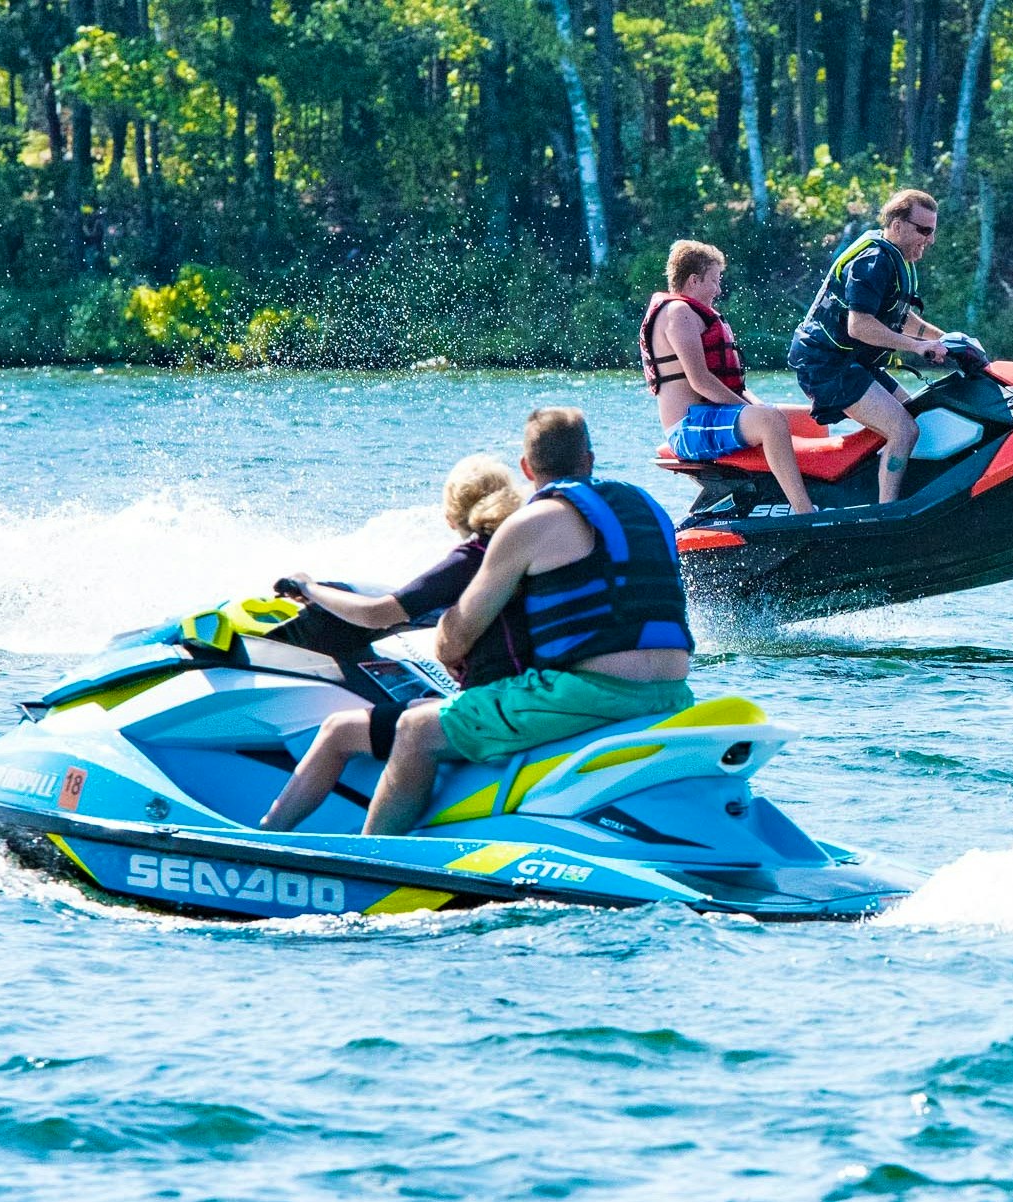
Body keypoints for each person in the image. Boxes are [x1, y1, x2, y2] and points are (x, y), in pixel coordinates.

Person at [357, 407, 696, 837]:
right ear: (589, 459)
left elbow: (457, 636)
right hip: (672, 694)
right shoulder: (649, 507)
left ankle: (373, 857)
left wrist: (444, 637)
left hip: (592, 695)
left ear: (526, 467)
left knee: (415, 729)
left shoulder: (528, 524)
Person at [258, 455, 529, 832]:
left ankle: (270, 835)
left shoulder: (474, 557)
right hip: (519, 692)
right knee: (419, 705)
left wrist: (311, 589)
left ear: (451, 516)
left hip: (492, 702)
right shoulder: (526, 550)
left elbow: (379, 613)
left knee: (338, 730)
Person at [788, 189, 951, 504]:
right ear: (898, 224)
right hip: (827, 366)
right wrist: (917, 348)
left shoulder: (897, 259)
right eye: (924, 230)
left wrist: (944, 340)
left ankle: (872, 491)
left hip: (852, 364)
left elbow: (900, 318)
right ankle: (888, 512)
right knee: (905, 430)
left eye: (933, 231)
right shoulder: (874, 260)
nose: (929, 239)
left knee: (916, 416)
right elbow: (859, 325)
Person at [642, 240, 815, 515]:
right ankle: (805, 511)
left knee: (811, 421)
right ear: (694, 280)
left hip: (713, 418)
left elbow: (733, 385)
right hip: (688, 428)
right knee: (770, 423)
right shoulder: (679, 313)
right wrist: (756, 412)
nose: (719, 290)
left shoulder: (696, 313)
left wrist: (761, 407)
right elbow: (700, 381)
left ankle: (795, 496)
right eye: (714, 280)